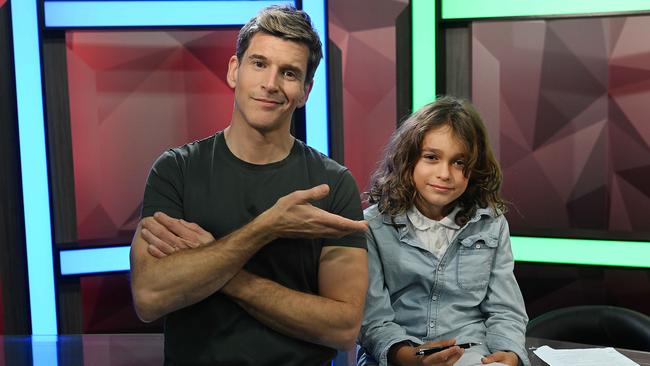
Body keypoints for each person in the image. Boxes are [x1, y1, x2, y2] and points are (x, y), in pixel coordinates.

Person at [129, 5, 369, 366]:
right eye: (259, 64)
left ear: (305, 91)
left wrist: (216, 267)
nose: (270, 84)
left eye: (288, 73)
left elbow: (343, 329)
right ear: (234, 70)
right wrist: (266, 227)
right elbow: (149, 295)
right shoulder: (176, 170)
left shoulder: (332, 184)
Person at [357, 96, 530, 366]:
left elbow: (506, 310)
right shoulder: (372, 226)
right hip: (399, 356)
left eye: (459, 162)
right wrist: (406, 357)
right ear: (408, 159)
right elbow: (372, 319)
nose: (445, 173)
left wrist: (510, 354)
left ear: (474, 170)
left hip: (472, 354)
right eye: (431, 157)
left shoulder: (491, 224)